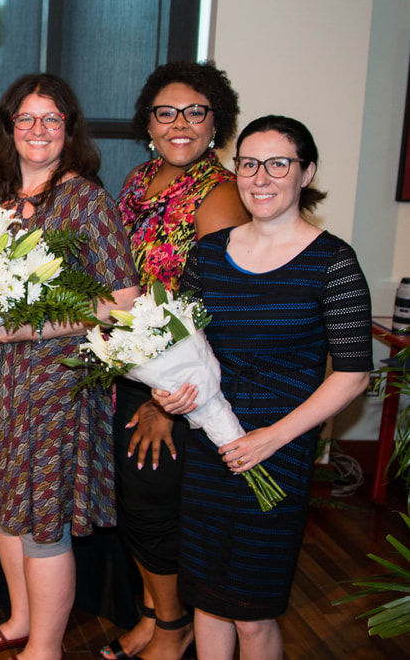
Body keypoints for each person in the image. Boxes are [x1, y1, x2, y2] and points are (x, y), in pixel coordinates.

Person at [0, 73, 139, 660]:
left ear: (69, 130)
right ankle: (21, 620)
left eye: (52, 119)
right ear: (9, 127)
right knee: (6, 508)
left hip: (53, 388)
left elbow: (124, 303)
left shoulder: (87, 200)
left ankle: (43, 650)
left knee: (44, 524)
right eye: (26, 119)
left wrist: (32, 327)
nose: (38, 130)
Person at [152, 115, 371, 659]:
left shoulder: (332, 263)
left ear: (306, 172)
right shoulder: (208, 255)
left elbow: (353, 373)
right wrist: (171, 393)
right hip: (211, 447)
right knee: (205, 600)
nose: (261, 177)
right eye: (249, 164)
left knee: (251, 613)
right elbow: (187, 349)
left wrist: (273, 438)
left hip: (280, 451)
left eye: (279, 164)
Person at [100, 60, 249, 660]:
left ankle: (172, 628)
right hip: (129, 365)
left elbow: (221, 308)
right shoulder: (140, 180)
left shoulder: (220, 194)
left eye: (195, 112)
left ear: (217, 123)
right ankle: (150, 614)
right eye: (166, 113)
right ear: (149, 123)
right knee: (130, 506)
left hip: (176, 381)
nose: (180, 123)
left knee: (151, 507)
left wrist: (171, 402)